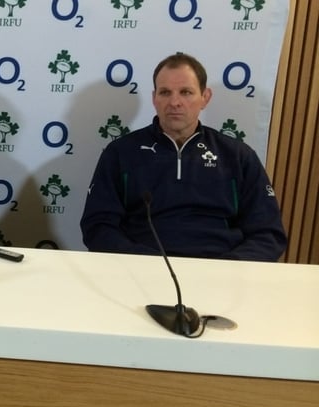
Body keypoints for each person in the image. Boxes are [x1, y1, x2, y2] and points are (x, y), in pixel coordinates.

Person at [80, 53, 287, 262]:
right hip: (141, 271)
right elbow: (98, 227)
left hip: (220, 271)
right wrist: (144, 264)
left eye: (186, 92)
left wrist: (227, 269)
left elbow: (268, 234)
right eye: (165, 92)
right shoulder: (120, 153)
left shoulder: (238, 156)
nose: (175, 102)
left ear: (205, 98)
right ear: (154, 99)